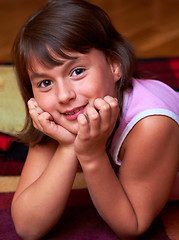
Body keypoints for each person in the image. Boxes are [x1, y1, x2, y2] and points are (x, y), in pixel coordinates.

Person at [11, 0, 179, 239]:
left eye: (77, 71)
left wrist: (91, 155)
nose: (64, 96)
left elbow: (132, 225)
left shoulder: (151, 123)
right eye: (45, 83)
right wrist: (68, 146)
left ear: (114, 65)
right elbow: (28, 227)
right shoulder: (55, 115)